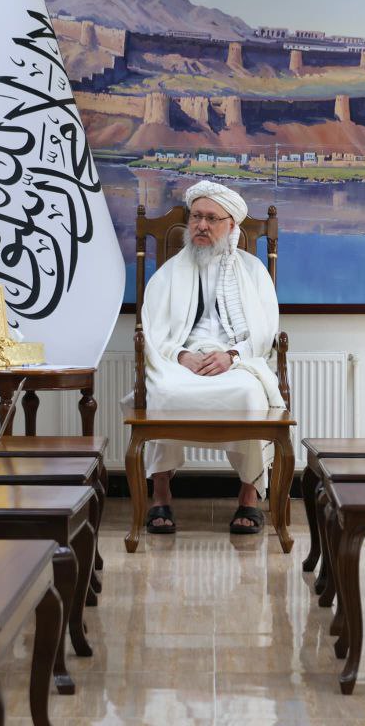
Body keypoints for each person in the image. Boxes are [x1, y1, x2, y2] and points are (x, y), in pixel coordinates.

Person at [134, 180, 285, 534]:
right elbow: (153, 331)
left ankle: (249, 495)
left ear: (231, 225)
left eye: (211, 218)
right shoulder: (169, 273)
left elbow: (265, 332)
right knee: (163, 390)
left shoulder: (253, 271)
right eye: (196, 217)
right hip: (182, 360)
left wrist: (232, 356)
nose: (201, 225)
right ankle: (161, 493)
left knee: (248, 392)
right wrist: (180, 355)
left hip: (236, 361)